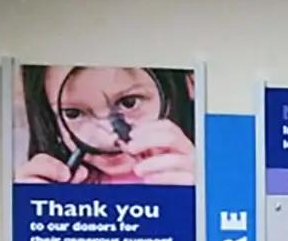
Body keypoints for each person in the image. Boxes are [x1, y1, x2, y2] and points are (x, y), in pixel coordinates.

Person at [15, 66, 195, 185]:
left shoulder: (207, 172)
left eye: (129, 102)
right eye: (73, 113)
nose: (107, 137)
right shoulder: (56, 186)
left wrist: (210, 196)